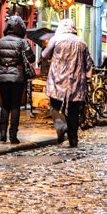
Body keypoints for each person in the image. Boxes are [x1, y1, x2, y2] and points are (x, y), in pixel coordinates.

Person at [42, 18, 93, 148]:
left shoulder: (56, 39)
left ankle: (60, 125)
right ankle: (73, 138)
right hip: (76, 82)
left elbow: (44, 55)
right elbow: (88, 64)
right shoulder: (82, 43)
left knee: (55, 105)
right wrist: (88, 80)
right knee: (74, 111)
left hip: (58, 80)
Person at [0, 14, 35, 144]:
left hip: (3, 78)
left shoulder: (0, 41)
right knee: (15, 106)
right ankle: (13, 136)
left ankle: (2, 134)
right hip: (17, 78)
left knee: (5, 105)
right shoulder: (22, 42)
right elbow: (32, 58)